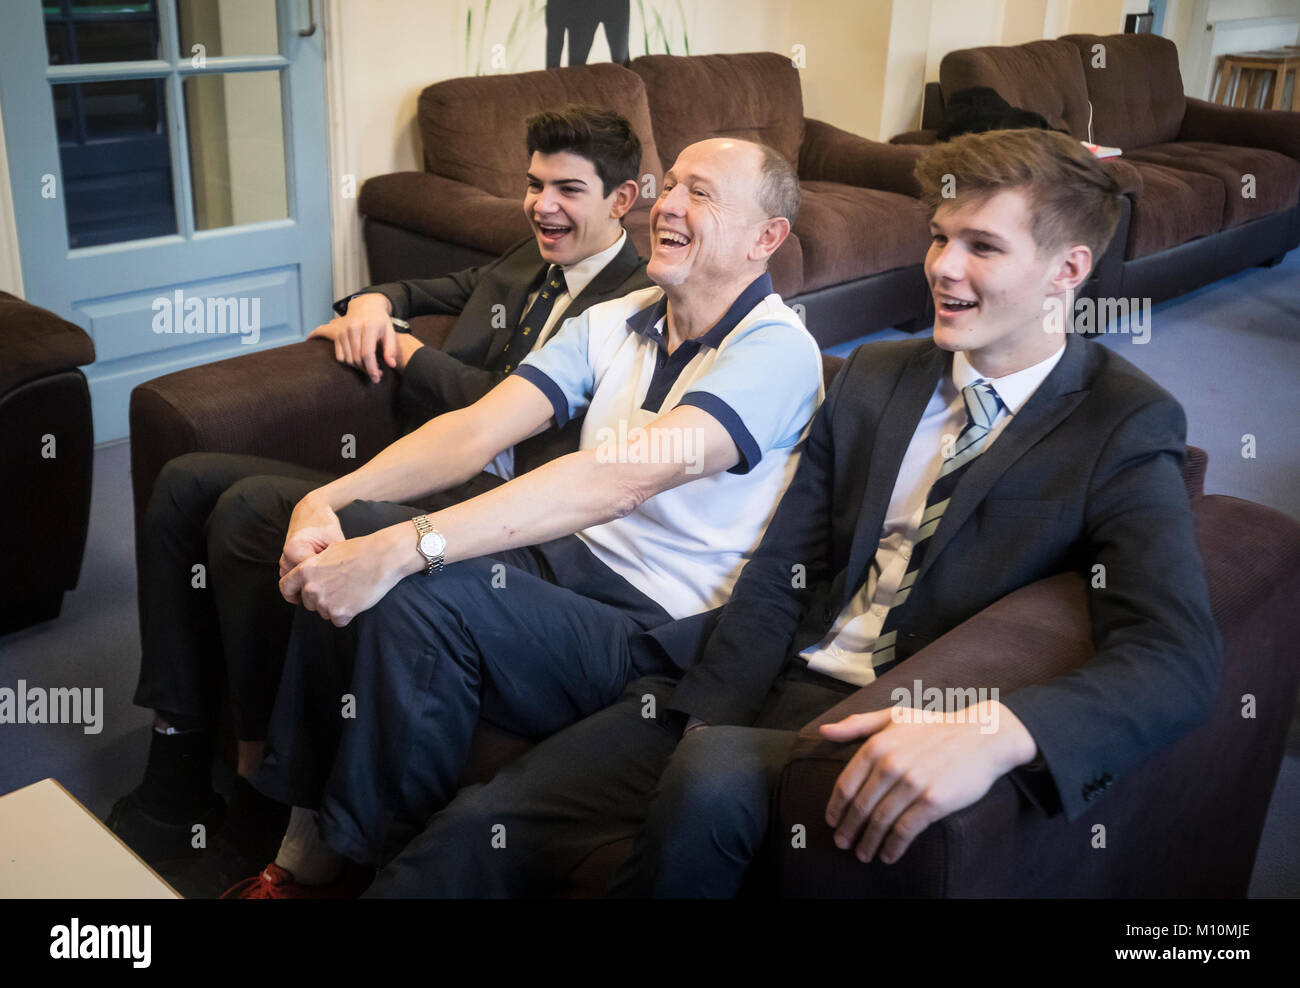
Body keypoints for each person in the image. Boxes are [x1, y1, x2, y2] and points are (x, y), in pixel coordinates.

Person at [358, 127, 1221, 899]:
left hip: (882, 707)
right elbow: (783, 565)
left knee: (707, 781)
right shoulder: (881, 374)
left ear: (1068, 271)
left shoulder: (1124, 420)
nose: (943, 268)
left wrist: (1005, 729)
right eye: (939, 238)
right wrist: (704, 710)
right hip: (747, 675)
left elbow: (1175, 657)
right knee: (486, 825)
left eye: (982, 247)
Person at [211, 135, 823, 898]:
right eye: (670, 187)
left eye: (700, 193)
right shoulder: (623, 316)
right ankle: (306, 855)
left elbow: (617, 481)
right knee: (360, 530)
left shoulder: (778, 351)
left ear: (767, 238)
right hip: (562, 566)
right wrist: (329, 499)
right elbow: (476, 429)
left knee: (420, 585)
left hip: (649, 627)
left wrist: (412, 545)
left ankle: (365, 864)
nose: (667, 205)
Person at [108, 104, 651, 872]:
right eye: (533, 185)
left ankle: (263, 796)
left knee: (249, 515)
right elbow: (424, 285)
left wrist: (402, 351)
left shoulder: (633, 303)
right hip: (416, 479)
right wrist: (373, 304)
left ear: (622, 200)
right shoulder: (527, 260)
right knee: (185, 484)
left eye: (568, 189)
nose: (542, 205)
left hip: (487, 519)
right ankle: (177, 752)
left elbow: (496, 411)